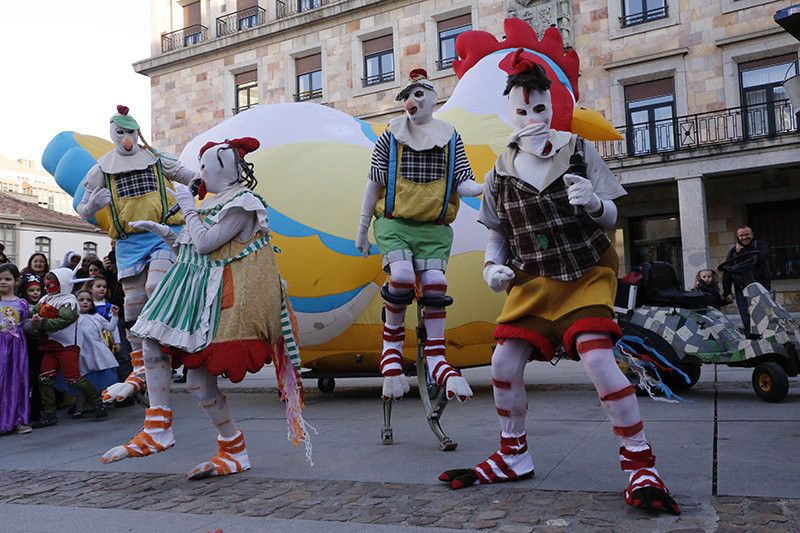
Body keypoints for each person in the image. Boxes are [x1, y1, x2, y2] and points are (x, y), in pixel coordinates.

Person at [438, 48, 680, 515]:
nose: (532, 117)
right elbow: (497, 231)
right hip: (531, 281)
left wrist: (593, 202)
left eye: (539, 108)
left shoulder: (579, 150)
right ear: (510, 112)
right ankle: (513, 454)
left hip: (585, 273)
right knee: (503, 364)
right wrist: (492, 268)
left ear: (552, 105)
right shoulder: (500, 171)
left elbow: (612, 216)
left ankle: (639, 465)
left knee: (599, 362)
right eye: (523, 111)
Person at [101, 137, 310, 479]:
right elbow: (192, 249)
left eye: (202, 167)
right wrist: (163, 232)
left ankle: (160, 427)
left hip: (226, 307)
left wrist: (185, 208)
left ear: (219, 168)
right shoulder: (216, 204)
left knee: (162, 345)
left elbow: (204, 242)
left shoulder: (243, 202)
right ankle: (231, 449)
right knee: (195, 379)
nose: (198, 175)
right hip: (206, 300)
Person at [355, 69, 482, 403]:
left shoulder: (450, 136)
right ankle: (391, 350)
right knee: (401, 275)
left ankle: (437, 359)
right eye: (408, 97)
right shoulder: (391, 135)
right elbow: (374, 184)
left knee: (436, 285)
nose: (412, 102)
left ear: (432, 97)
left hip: (434, 228)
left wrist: (487, 185)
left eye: (419, 94)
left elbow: (463, 181)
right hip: (395, 222)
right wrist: (362, 227)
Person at [77, 105, 197, 405]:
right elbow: (81, 208)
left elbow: (185, 173)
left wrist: (198, 185)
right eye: (121, 132)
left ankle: (176, 339)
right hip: (129, 243)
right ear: (113, 133)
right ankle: (141, 365)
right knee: (132, 309)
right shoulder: (102, 167)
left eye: (131, 132)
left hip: (160, 233)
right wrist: (93, 206)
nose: (127, 138)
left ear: (137, 132)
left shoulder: (154, 158)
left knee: (156, 286)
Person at [30, 268, 104, 428]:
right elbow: (34, 313)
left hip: (67, 346)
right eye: (47, 281)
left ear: (62, 283)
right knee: (44, 378)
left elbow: (65, 320)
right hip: (49, 346)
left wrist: (40, 323)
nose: (47, 284)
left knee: (74, 379)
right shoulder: (45, 299)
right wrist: (32, 320)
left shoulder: (69, 300)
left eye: (52, 281)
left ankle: (99, 401)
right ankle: (50, 414)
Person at [70, 290, 117, 419]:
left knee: (99, 380)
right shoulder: (73, 318)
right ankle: (79, 408)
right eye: (81, 300)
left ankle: (100, 404)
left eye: (88, 300)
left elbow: (110, 327)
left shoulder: (96, 316)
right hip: (80, 353)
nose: (85, 302)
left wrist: (115, 315)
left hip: (97, 353)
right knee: (81, 380)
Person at [721, 226, 771, 336]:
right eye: (741, 235)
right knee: (746, 317)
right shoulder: (733, 252)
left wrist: (741, 252)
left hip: (760, 289)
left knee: (765, 315)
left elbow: (760, 258)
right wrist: (727, 292)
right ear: (738, 237)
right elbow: (727, 272)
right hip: (741, 290)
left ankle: (768, 339)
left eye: (747, 234)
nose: (744, 237)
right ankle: (751, 340)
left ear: (752, 234)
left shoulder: (761, 246)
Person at [0, 263, 32, 434]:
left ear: (16, 281)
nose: (3, 282)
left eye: (7, 279)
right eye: (0, 279)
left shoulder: (22, 303)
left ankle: (18, 419)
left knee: (16, 382)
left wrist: (33, 324)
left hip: (16, 348)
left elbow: (26, 325)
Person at [18, 273, 45, 423]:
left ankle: (36, 409)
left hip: (41, 346)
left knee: (38, 378)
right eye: (31, 290)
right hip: (26, 345)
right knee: (27, 377)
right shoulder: (22, 305)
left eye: (37, 290)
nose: (35, 293)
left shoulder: (44, 305)